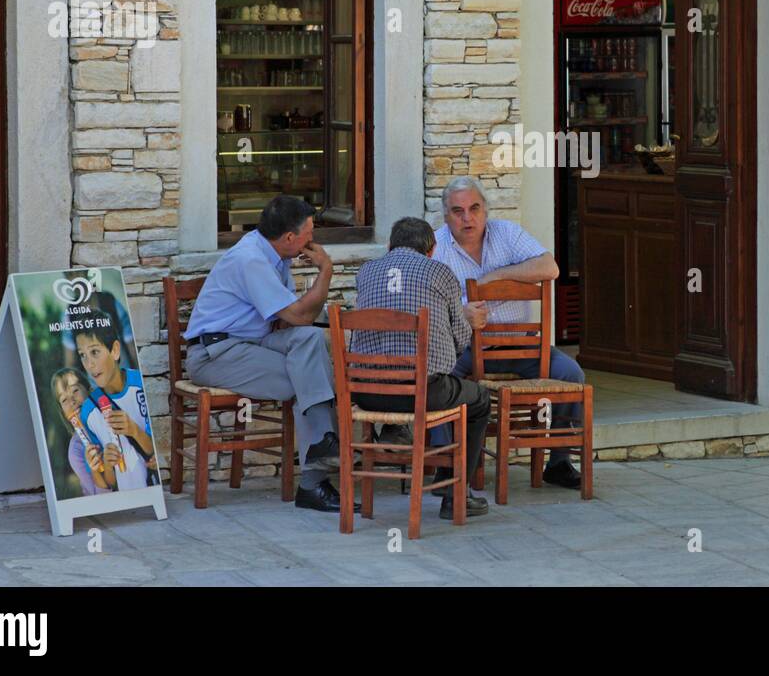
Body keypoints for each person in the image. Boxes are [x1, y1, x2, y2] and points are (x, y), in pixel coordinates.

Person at [183, 195, 357, 514]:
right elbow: (300, 315)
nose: (312, 240)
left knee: (310, 342)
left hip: (251, 343)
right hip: (214, 353)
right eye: (308, 233)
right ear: (290, 238)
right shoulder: (252, 260)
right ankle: (315, 477)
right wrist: (326, 271)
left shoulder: (277, 257)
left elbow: (293, 321)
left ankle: (322, 449)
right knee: (307, 373)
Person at [432, 176, 586, 490]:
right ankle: (445, 465)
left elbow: (550, 268)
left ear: (485, 210)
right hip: (466, 348)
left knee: (572, 375)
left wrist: (496, 276)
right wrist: (461, 313)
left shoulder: (507, 233)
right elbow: (426, 306)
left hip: (522, 348)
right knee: (434, 378)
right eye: (457, 211)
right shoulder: (437, 248)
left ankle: (558, 462)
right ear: (446, 215)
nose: (467, 217)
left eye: (474, 208)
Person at [350, 218, 492, 519]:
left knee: (429, 384)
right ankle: (455, 494)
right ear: (431, 250)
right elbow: (459, 337)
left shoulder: (365, 272)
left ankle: (395, 430)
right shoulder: (440, 272)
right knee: (478, 399)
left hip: (366, 393)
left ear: (389, 246)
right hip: (422, 391)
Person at [73, 316, 159, 490]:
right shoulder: (88, 411)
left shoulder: (140, 384)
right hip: (123, 499)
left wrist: (134, 430)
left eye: (95, 352)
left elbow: (154, 451)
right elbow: (109, 483)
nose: (89, 364)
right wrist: (104, 462)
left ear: (115, 350)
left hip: (151, 491)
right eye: (82, 355)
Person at [50, 368, 113, 496]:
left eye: (75, 390)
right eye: (64, 400)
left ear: (89, 390)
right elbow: (99, 499)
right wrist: (95, 470)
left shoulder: (110, 416)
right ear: (62, 412)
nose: (72, 401)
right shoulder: (76, 450)